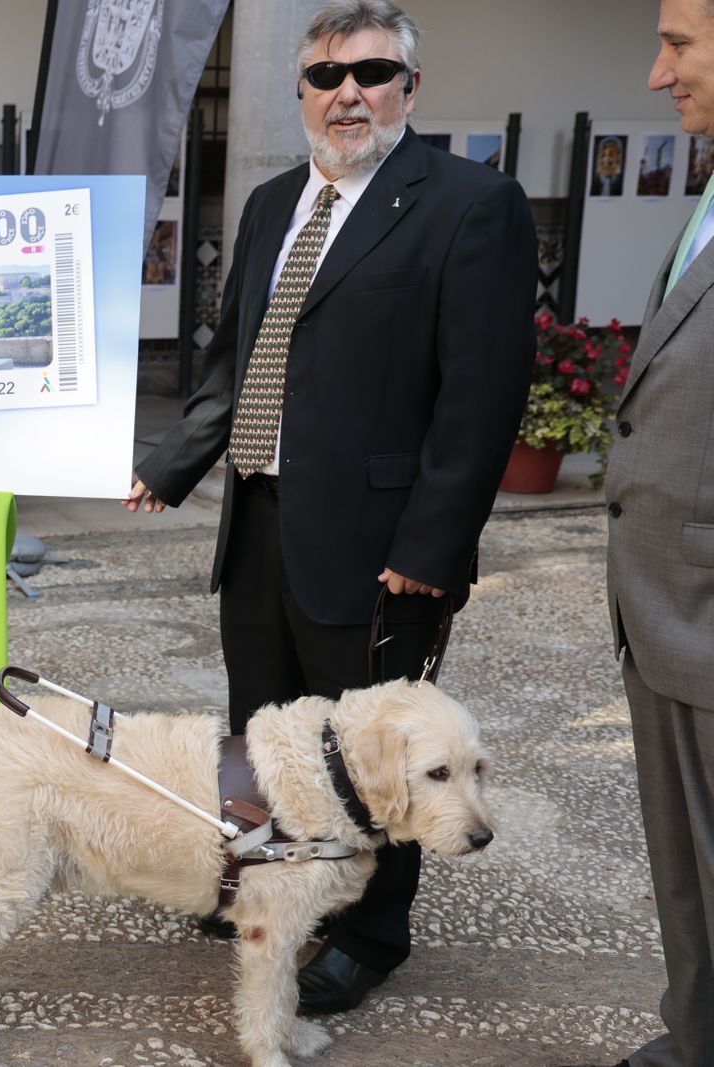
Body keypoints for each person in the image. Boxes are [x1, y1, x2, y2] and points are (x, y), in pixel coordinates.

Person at [121, 0, 535, 1013]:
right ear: (300, 90)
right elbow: (237, 359)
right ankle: (268, 883)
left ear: (408, 87)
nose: (346, 92)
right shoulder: (270, 203)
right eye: (323, 76)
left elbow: (480, 397)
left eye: (371, 72)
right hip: (259, 523)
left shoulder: (468, 205)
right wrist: (172, 463)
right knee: (263, 730)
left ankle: (370, 929)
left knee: (380, 749)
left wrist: (431, 545)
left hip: (379, 545)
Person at [578, 4, 714, 1064]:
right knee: (685, 864)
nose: (656, 70)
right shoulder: (706, 188)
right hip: (666, 604)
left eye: (680, 41)